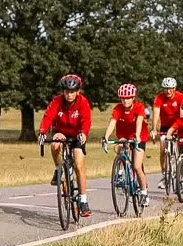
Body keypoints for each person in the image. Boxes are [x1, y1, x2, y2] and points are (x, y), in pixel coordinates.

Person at [38, 73, 93, 217]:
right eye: (66, 91)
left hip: (77, 135)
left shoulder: (83, 102)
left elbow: (86, 120)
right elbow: (48, 116)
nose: (69, 95)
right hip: (61, 132)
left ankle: (83, 200)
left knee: (79, 165)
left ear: (78, 91)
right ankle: (58, 168)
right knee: (55, 143)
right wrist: (43, 131)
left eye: (72, 92)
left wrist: (83, 133)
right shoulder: (57, 101)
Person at [104, 83, 151, 204]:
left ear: (133, 98)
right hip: (124, 135)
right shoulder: (118, 109)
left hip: (139, 136)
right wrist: (106, 136)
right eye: (123, 98)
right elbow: (112, 123)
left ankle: (144, 192)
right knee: (120, 146)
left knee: (136, 166)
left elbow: (139, 121)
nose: (125, 101)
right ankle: (120, 172)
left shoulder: (139, 107)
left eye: (128, 98)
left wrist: (137, 135)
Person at [152, 76, 183, 188]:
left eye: (171, 88)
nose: (168, 91)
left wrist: (179, 129)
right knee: (163, 149)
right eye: (166, 88)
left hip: (177, 125)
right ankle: (165, 175)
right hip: (165, 127)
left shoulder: (180, 97)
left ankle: (180, 174)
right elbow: (156, 115)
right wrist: (154, 129)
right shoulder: (159, 98)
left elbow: (182, 114)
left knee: (180, 151)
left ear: (175, 88)